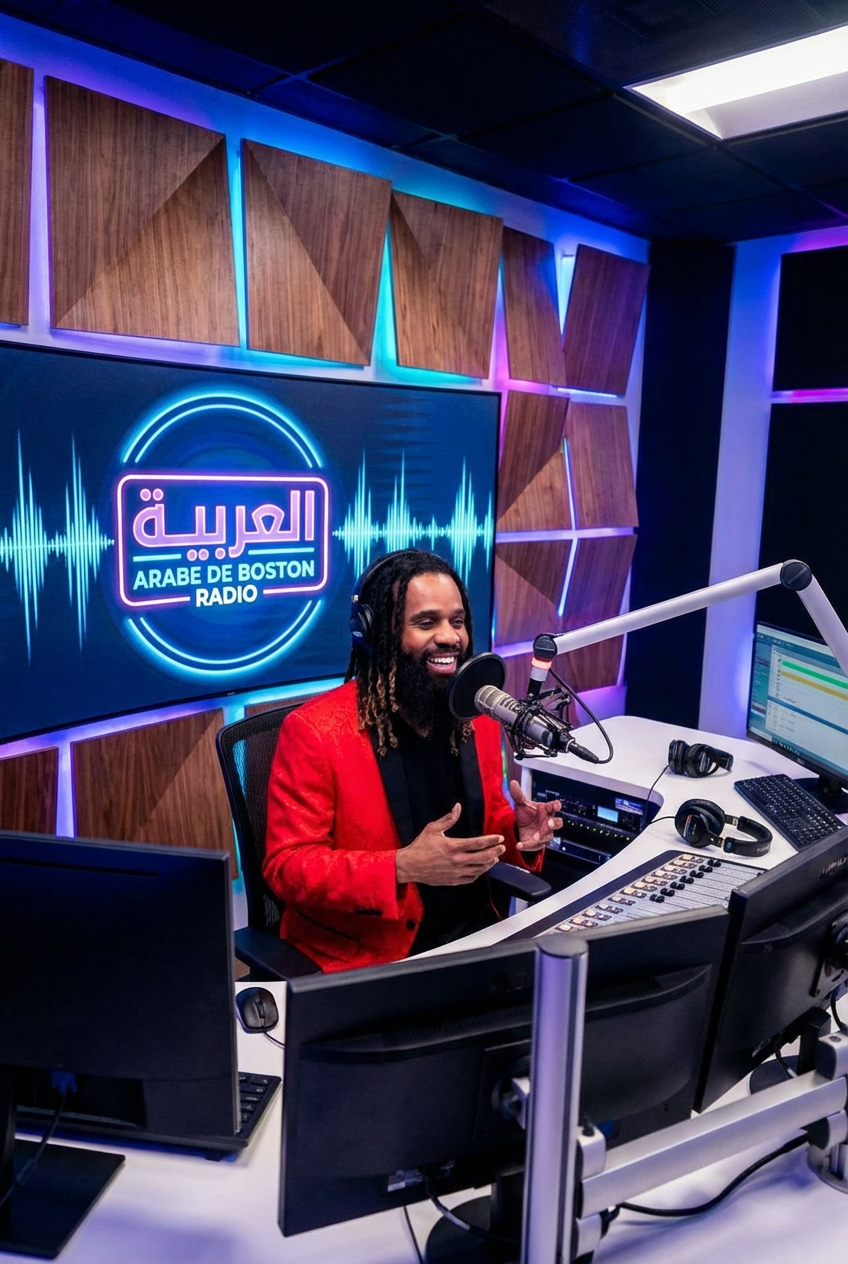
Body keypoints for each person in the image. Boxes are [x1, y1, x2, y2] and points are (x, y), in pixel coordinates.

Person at [264, 549, 562, 972]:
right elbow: (287, 867)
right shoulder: (316, 732)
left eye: (456, 621)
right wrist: (400, 867)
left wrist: (516, 831)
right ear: (376, 633)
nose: (450, 637)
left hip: (476, 936)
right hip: (377, 958)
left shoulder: (475, 717)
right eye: (426, 622)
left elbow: (485, 820)